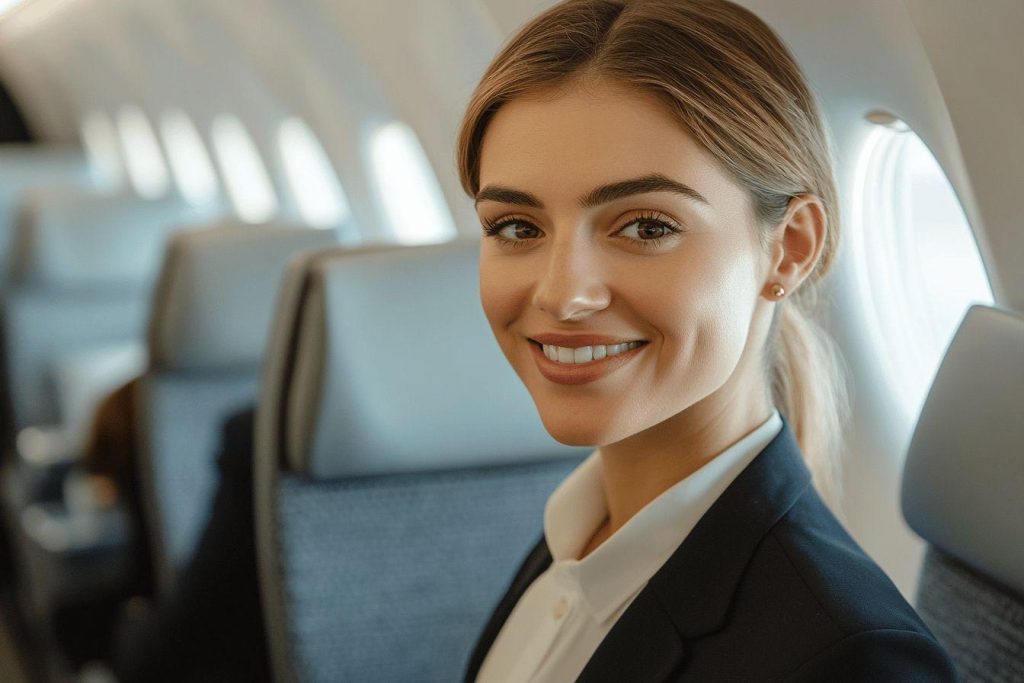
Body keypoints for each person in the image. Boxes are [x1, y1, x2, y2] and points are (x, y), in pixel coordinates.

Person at [457, 1, 957, 681]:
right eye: (517, 227)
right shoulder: (578, 544)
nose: (562, 294)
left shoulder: (853, 660)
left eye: (644, 227)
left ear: (789, 248)